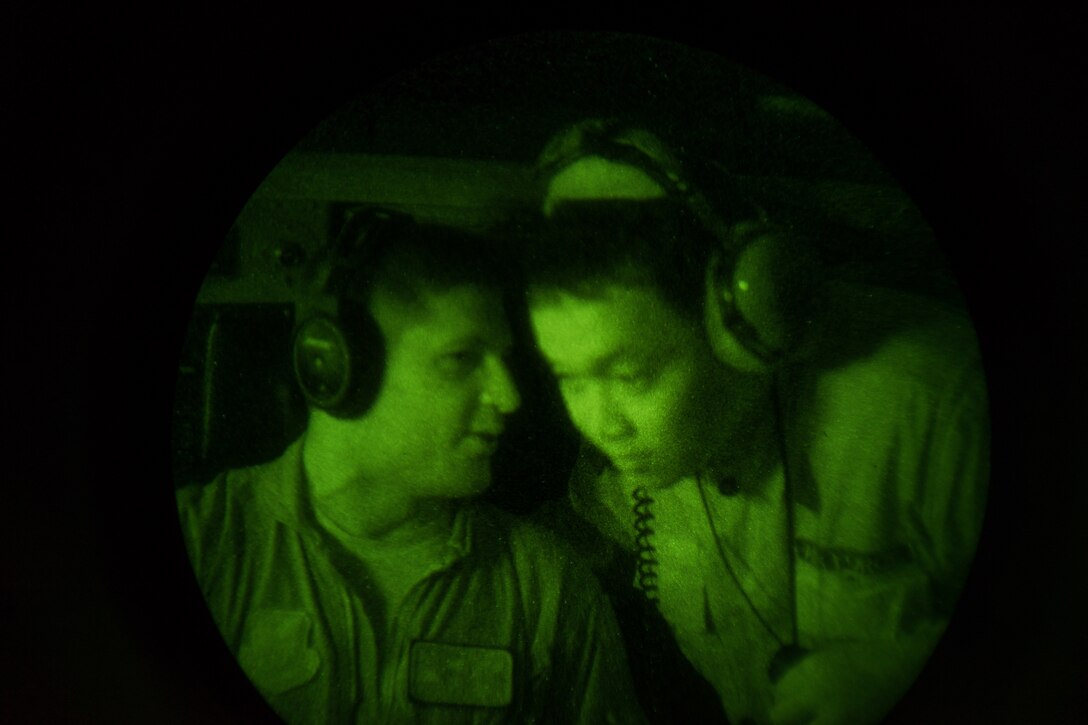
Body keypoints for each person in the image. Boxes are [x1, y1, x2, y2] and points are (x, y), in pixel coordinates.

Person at [521, 119, 989, 724]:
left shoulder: (936, 400)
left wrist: (910, 667)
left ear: (739, 326)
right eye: (569, 378)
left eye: (631, 376)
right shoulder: (626, 467)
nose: (602, 425)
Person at [176, 208, 646, 724]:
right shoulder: (204, 545)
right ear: (334, 366)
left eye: (504, 360)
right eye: (462, 358)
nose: (508, 396)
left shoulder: (548, 588)